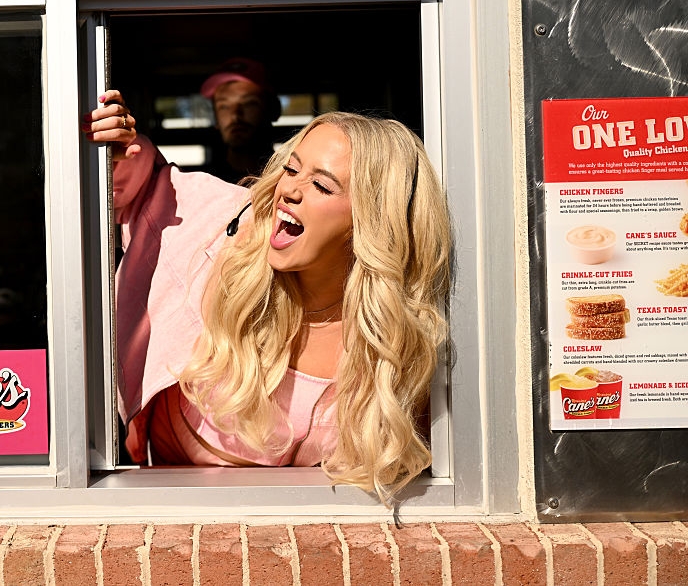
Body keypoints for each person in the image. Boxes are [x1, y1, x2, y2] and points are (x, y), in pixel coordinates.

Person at [83, 90, 452, 503]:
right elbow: (143, 189)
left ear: (373, 219)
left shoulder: (397, 335)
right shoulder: (218, 234)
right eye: (291, 169)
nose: (289, 190)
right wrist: (117, 148)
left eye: (321, 185)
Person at [198, 57, 283, 183]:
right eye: (224, 106)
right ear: (215, 117)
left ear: (273, 110)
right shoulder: (203, 184)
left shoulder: (289, 180)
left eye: (249, 103)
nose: (235, 115)